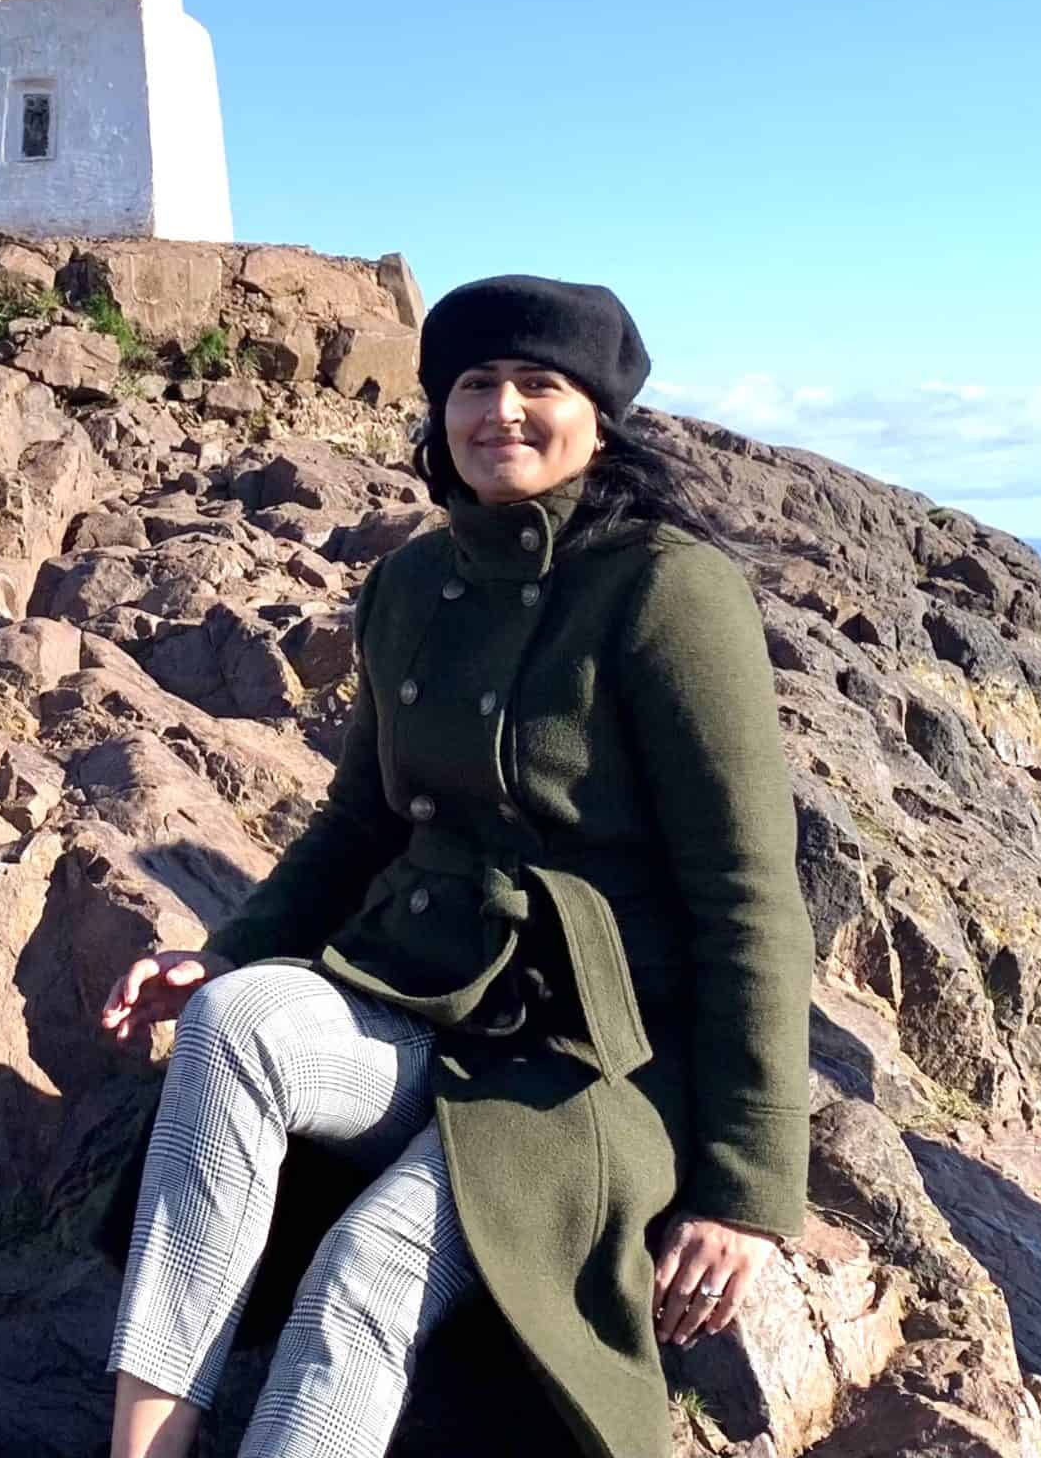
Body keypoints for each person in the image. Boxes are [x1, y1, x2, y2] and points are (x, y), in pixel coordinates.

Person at [91, 274, 813, 1458]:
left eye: (539, 384)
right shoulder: (411, 583)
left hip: (595, 1061)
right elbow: (358, 825)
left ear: (597, 418)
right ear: (439, 409)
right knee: (236, 1019)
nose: (502, 411)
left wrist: (747, 1191)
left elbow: (747, 897)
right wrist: (223, 955)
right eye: (475, 383)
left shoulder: (664, 586)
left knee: (363, 1267)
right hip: (418, 991)